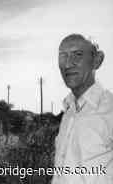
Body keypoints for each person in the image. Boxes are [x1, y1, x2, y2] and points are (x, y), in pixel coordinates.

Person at [52, 34, 113, 183]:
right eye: (63, 56)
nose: (67, 64)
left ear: (97, 61)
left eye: (77, 55)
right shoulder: (69, 111)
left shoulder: (110, 109)